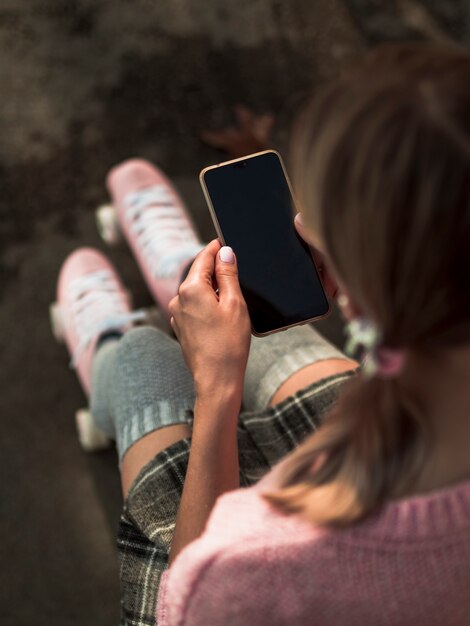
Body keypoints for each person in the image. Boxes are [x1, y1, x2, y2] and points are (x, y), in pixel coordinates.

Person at [52, 43, 470, 626]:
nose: (301, 225)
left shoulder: (262, 555)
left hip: (211, 584)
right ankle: (183, 271)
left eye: (317, 214)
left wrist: (218, 388)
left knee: (143, 356)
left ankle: (104, 343)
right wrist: (366, 297)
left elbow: (188, 604)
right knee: (261, 318)